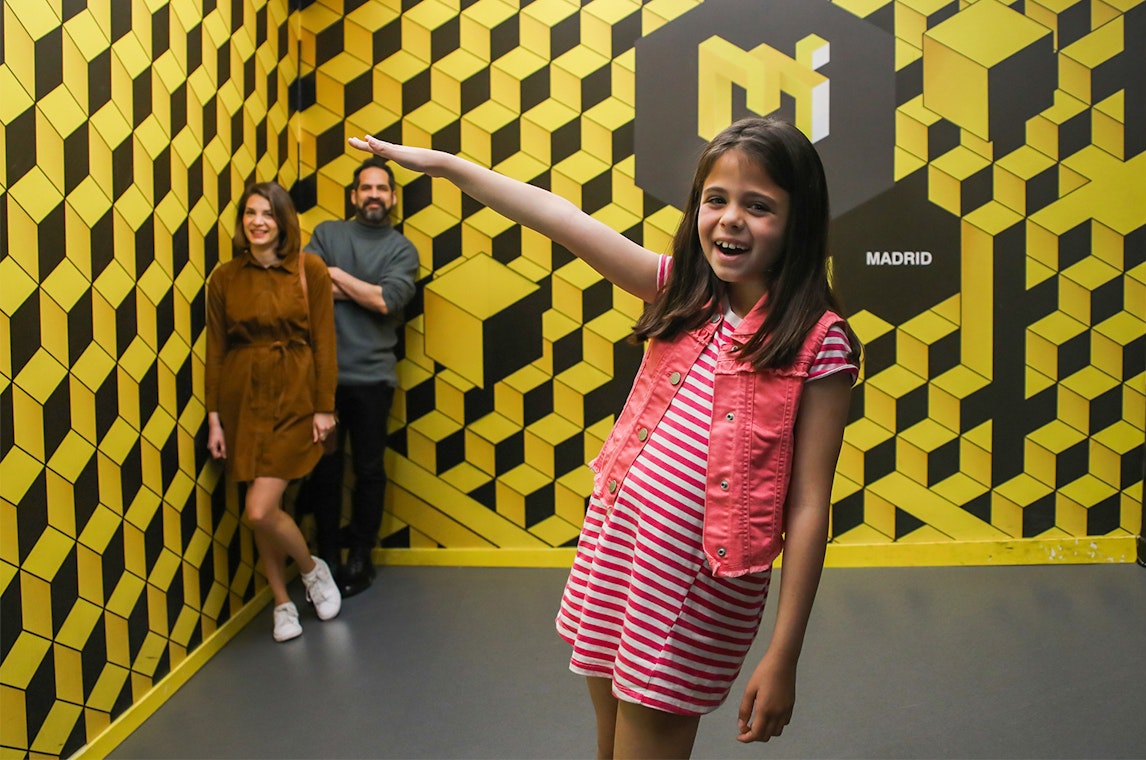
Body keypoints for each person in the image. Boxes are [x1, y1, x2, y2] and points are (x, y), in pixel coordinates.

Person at [351, 116, 860, 758]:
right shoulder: (685, 290)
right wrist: (447, 165)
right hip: (619, 545)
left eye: (758, 206)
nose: (731, 219)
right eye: (716, 199)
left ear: (798, 220)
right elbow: (558, 217)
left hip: (694, 583)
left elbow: (810, 504)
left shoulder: (818, 340)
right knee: (611, 740)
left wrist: (784, 654)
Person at [205, 181, 344, 642]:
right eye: (250, 213)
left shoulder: (309, 268)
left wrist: (325, 407)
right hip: (242, 400)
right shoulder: (225, 277)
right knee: (262, 509)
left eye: (267, 213)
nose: (258, 222)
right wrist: (214, 417)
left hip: (295, 398)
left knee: (260, 509)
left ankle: (311, 570)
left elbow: (325, 342)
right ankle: (282, 603)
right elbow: (216, 351)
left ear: (283, 221)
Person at [302, 157, 420, 596]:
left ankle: (361, 557)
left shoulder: (402, 249)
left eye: (381, 188)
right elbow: (304, 288)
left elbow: (387, 301)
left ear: (392, 197)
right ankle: (328, 556)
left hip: (373, 379)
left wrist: (333, 274)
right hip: (322, 381)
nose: (374, 195)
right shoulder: (327, 234)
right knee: (325, 470)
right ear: (354, 195)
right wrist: (364, 290)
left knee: (369, 469)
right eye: (366, 188)